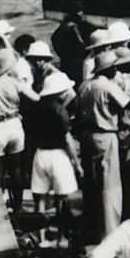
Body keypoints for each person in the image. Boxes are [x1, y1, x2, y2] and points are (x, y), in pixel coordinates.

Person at [76, 48, 130, 242]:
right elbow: (128, 105)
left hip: (87, 135)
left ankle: (91, 226)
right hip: (106, 134)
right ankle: (110, 229)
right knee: (109, 183)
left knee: (91, 182)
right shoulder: (107, 86)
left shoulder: (84, 85)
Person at [23, 69, 79, 214]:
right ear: (59, 92)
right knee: (61, 198)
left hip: (40, 154)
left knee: (40, 198)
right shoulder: (61, 111)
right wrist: (77, 163)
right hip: (58, 155)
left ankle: (41, 236)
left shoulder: (34, 109)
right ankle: (61, 236)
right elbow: (68, 140)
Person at [0, 46, 32, 209]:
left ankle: (1, 203)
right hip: (14, 123)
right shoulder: (15, 83)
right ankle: (18, 204)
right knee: (16, 169)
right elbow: (35, 97)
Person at [50, 0, 92, 82]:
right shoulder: (73, 27)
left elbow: (54, 39)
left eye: (82, 11)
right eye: (79, 11)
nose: (81, 13)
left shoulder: (64, 25)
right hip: (76, 63)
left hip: (66, 62)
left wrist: (62, 55)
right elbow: (81, 44)